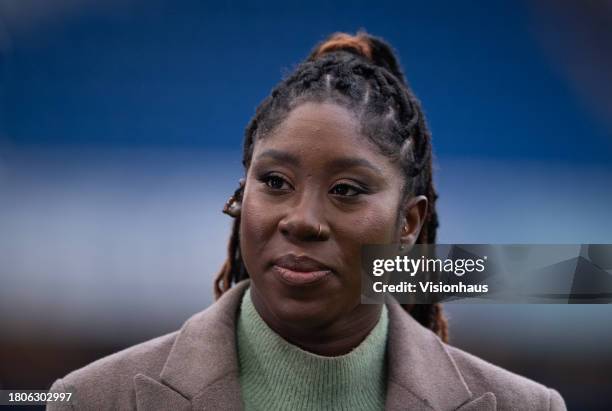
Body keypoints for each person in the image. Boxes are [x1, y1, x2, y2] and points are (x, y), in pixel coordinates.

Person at [48, 32, 566, 411]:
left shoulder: (527, 407)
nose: (302, 221)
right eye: (274, 182)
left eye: (345, 191)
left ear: (408, 223)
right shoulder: (93, 398)